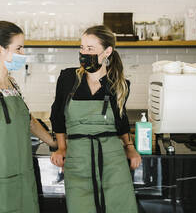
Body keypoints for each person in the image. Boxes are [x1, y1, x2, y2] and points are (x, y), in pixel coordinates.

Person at [50, 25, 141, 213]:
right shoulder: (68, 78)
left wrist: (130, 149)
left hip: (113, 159)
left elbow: (121, 122)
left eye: (90, 49)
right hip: (77, 158)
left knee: (120, 207)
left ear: (107, 51)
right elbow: (57, 116)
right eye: (82, 48)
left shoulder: (119, 84)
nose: (84, 53)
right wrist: (61, 147)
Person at [0, 21, 57, 213]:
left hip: (23, 182)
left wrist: (54, 143)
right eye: (19, 48)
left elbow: (29, 121)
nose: (23, 54)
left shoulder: (12, 83)